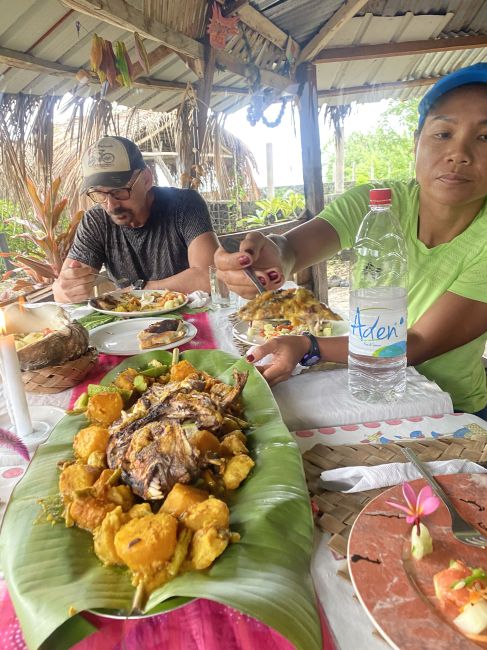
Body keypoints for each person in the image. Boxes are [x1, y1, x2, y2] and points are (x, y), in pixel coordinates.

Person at [214, 63, 487, 418]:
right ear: (416, 142)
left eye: (485, 137)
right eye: (443, 134)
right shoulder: (375, 202)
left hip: (451, 412)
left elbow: (415, 343)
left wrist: (310, 346)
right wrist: (271, 257)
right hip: (363, 386)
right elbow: (292, 248)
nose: (459, 153)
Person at [52, 136, 219, 302]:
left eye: (119, 191)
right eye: (99, 194)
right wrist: (66, 288)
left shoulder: (185, 204)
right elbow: (61, 292)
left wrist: (138, 290)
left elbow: (209, 276)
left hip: (190, 316)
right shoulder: (96, 221)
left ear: (146, 179)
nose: (110, 206)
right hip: (128, 322)